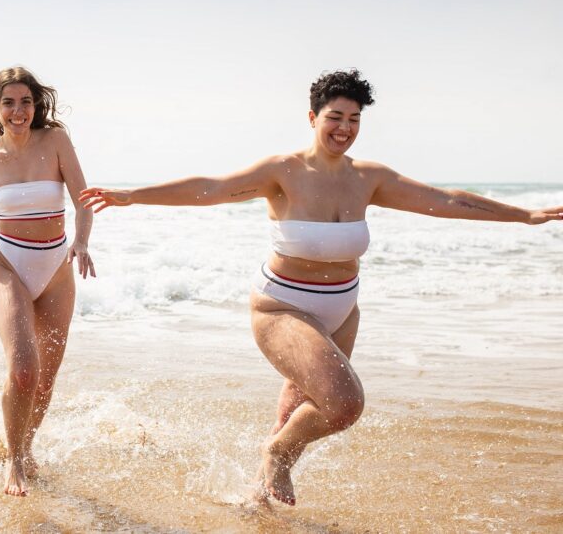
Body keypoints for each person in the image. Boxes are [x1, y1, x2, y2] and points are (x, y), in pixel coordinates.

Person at [79, 69, 562, 507]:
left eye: (354, 119)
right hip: (282, 307)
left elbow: (445, 200)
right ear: (312, 117)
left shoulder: (369, 178)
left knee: (298, 414)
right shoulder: (283, 171)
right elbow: (210, 187)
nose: (344, 128)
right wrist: (133, 196)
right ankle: (274, 455)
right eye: (335, 117)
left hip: (342, 309)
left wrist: (525, 215)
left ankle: (256, 499)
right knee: (343, 404)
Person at [0, 66, 96, 497]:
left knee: (46, 377)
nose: (18, 110)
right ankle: (13, 463)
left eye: (25, 101)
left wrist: (82, 243)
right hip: (7, 264)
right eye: (8, 102)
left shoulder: (56, 142)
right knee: (25, 371)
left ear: (36, 105)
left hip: (56, 267)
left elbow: (82, 199)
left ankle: (26, 447)